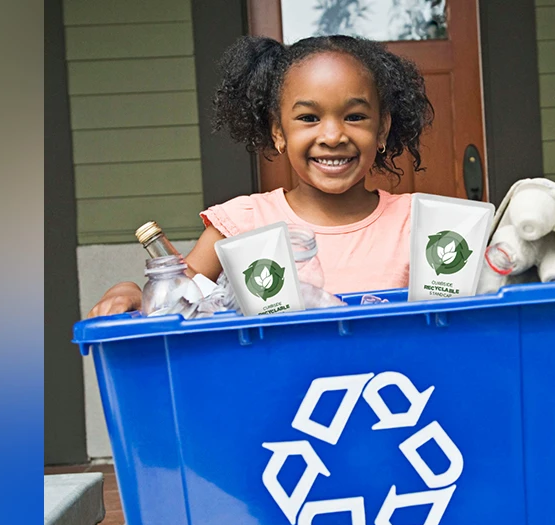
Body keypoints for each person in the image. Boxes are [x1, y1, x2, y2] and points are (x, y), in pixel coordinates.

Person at [88, 34, 434, 318]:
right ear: (278, 131)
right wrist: (129, 291)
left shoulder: (417, 224)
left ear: (383, 128)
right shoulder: (244, 223)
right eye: (309, 118)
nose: (332, 136)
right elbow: (177, 296)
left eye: (355, 117)